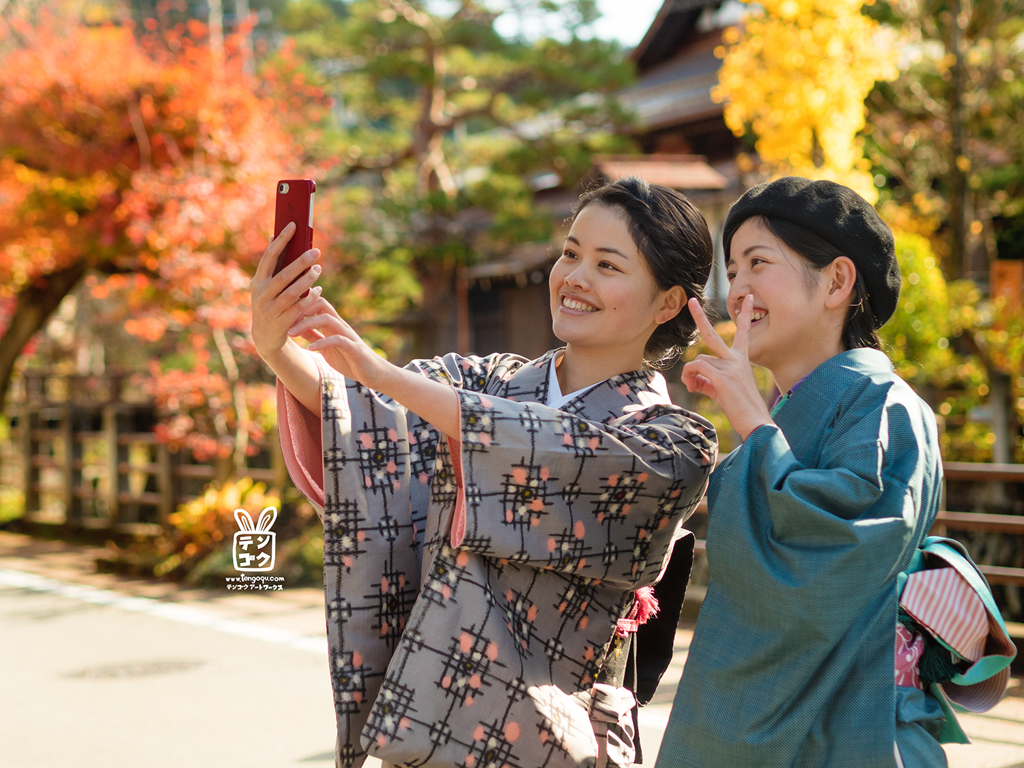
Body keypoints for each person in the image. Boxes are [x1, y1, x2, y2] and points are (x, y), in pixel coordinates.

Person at [251, 176, 718, 768]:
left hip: (561, 736)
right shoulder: (487, 382)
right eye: (571, 253)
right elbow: (365, 416)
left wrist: (385, 377)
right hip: (432, 718)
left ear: (668, 303)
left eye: (608, 265)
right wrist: (276, 347)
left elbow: (549, 451)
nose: (574, 277)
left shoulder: (673, 444)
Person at [655, 176, 1013, 768]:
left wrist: (752, 424)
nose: (739, 288)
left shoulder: (887, 405)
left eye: (758, 263)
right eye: (734, 270)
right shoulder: (778, 416)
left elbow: (837, 549)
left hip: (860, 724)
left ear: (838, 281)